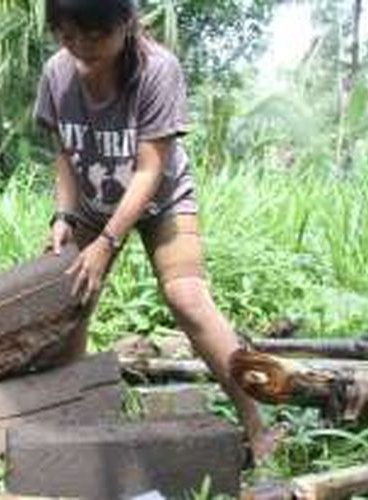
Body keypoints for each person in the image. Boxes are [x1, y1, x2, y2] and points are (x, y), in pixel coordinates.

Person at [35, 0, 280, 462]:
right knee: (71, 296)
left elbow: (150, 170)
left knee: (187, 297)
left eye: (95, 35)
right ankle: (69, 422)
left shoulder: (157, 70)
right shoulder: (56, 73)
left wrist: (107, 242)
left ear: (125, 24)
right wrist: (64, 217)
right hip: (92, 199)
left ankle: (259, 422)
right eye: (69, 36)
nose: (83, 48)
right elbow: (65, 155)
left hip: (161, 195)